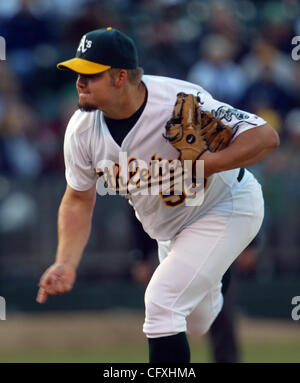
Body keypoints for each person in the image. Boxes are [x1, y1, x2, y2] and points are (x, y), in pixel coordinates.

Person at [36, 27, 279, 363]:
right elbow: (78, 199)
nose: (80, 81)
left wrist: (212, 163)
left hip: (226, 206)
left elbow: (266, 136)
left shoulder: (179, 102)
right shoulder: (81, 131)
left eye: (91, 74)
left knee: (162, 305)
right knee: (196, 322)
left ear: (121, 77)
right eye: (78, 72)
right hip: (169, 231)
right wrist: (65, 261)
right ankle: (218, 275)